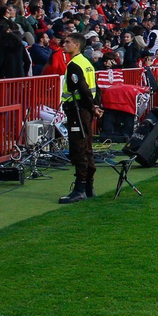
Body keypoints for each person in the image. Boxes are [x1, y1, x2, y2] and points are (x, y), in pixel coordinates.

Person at [57, 32, 101, 204]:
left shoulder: (74, 64)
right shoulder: (86, 62)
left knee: (79, 148)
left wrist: (92, 107)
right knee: (87, 146)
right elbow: (94, 87)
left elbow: (83, 89)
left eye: (67, 42)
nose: (63, 45)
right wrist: (96, 107)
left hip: (78, 110)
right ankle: (89, 187)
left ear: (77, 45)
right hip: (85, 110)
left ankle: (79, 189)